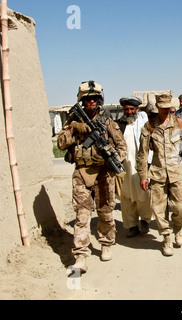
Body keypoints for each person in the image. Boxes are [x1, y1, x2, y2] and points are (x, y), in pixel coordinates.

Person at [57, 81, 127, 272]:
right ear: (82, 100)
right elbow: (61, 144)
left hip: (104, 173)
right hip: (82, 173)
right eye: (87, 99)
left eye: (95, 98)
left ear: (100, 99)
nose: (91, 102)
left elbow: (123, 148)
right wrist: (73, 128)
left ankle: (106, 243)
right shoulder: (72, 119)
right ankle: (80, 254)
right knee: (82, 215)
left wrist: (111, 156)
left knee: (105, 212)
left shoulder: (108, 122)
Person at [136, 92, 182, 256]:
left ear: (171, 107)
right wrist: (142, 175)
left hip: (177, 172)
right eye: (161, 108)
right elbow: (142, 154)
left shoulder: (180, 124)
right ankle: (166, 239)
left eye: (167, 108)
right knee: (159, 210)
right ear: (157, 107)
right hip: (157, 173)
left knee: (181, 207)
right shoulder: (149, 127)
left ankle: (178, 227)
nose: (164, 111)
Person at [116, 96, 154, 238]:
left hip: (141, 167)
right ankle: (131, 225)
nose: (129, 112)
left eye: (132, 109)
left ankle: (145, 221)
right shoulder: (119, 125)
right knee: (126, 198)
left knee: (144, 195)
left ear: (136, 109)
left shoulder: (144, 123)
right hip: (125, 167)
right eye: (127, 109)